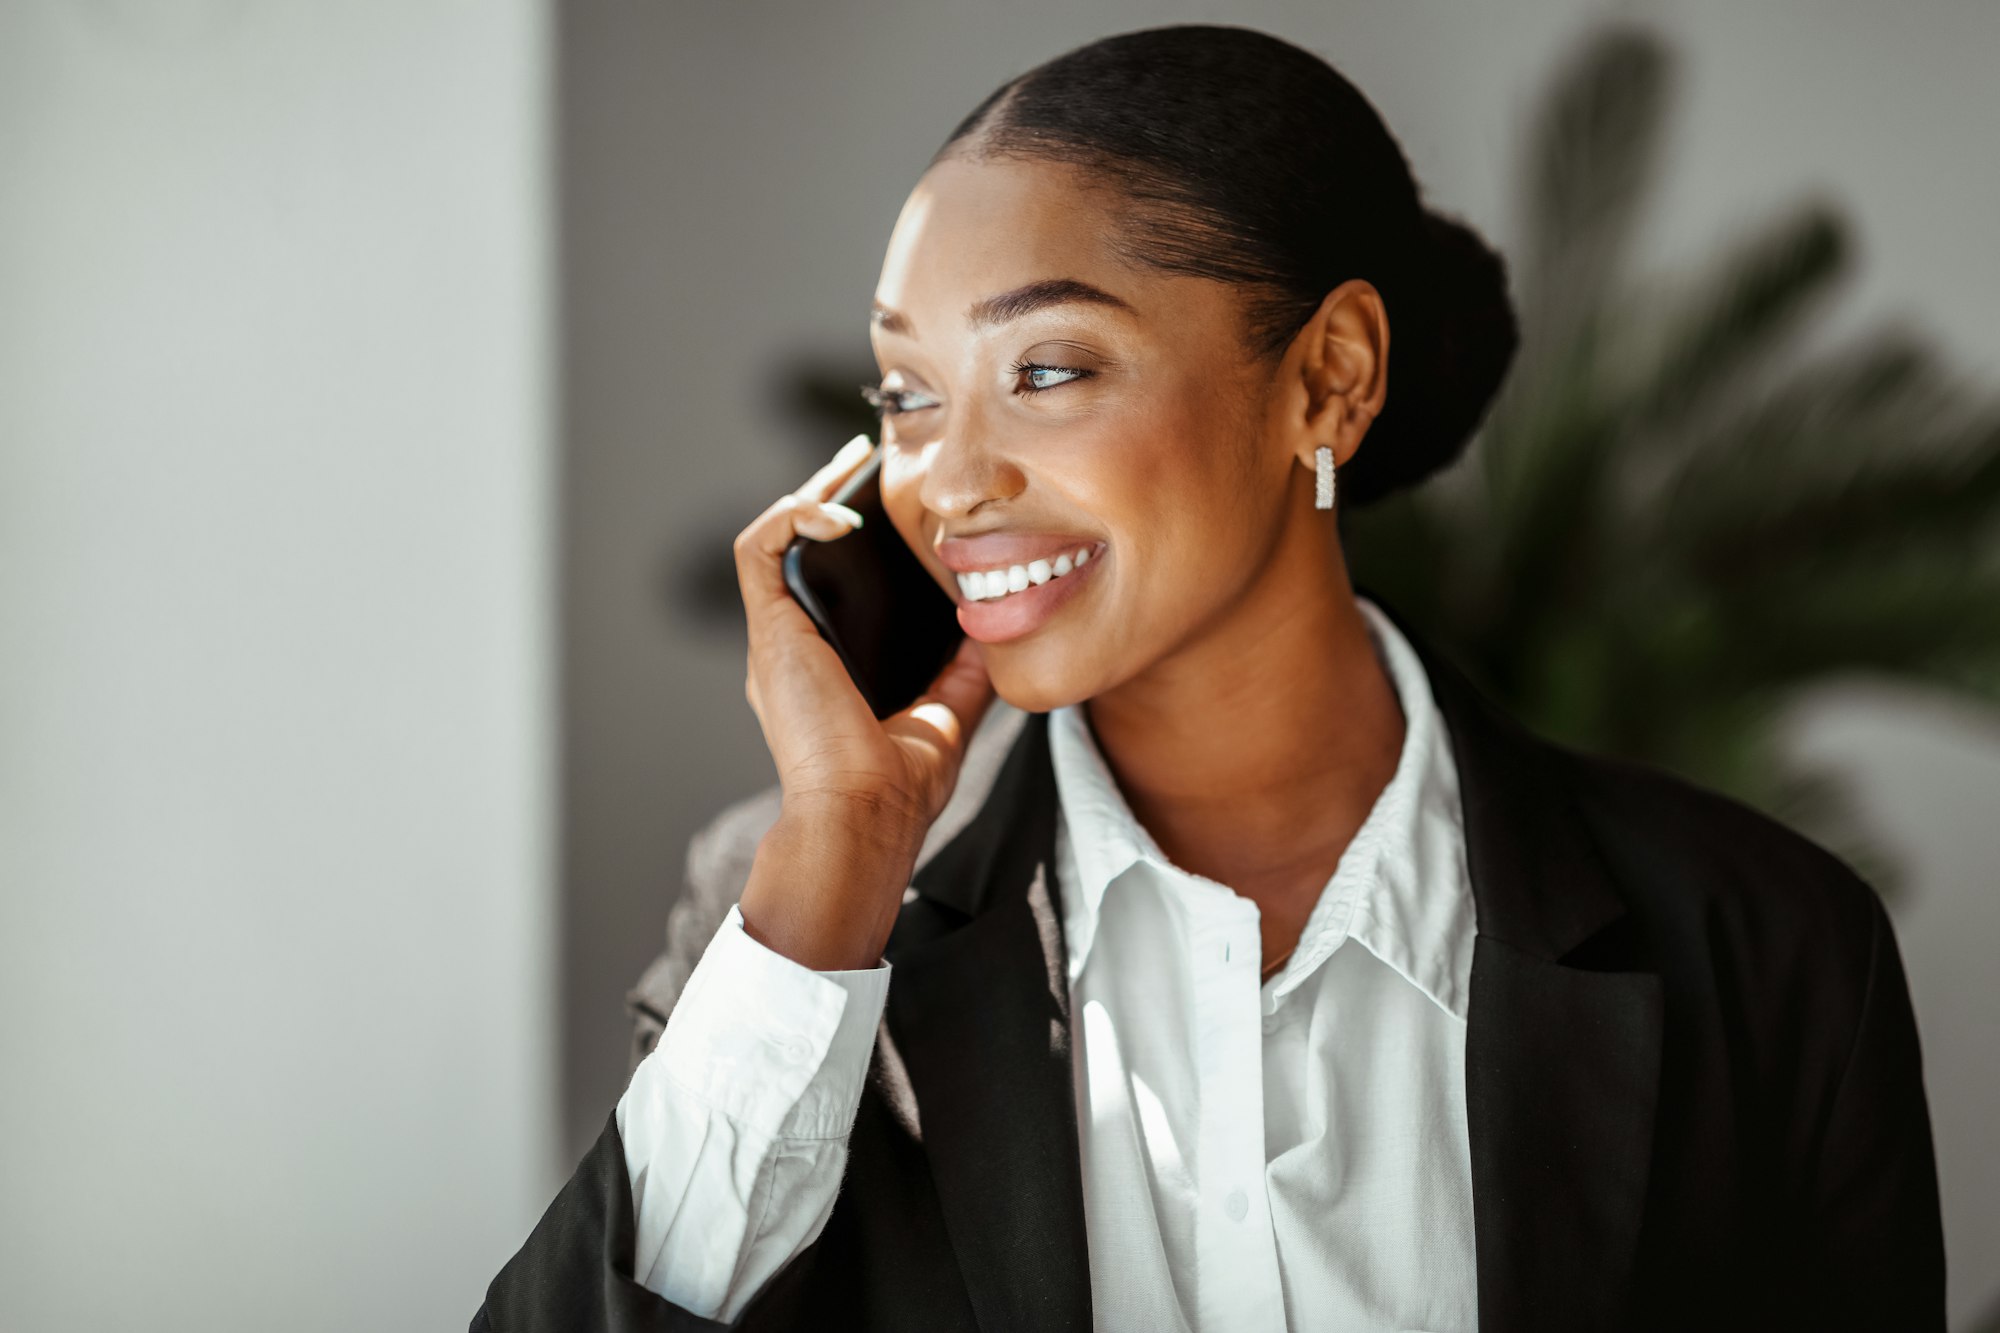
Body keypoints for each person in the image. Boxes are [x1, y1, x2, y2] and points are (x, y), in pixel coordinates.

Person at [473, 24, 1945, 1333]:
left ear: (1327, 380)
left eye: (1047, 369)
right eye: (909, 394)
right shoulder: (794, 924)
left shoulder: (1766, 948)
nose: (947, 481)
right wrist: (833, 882)